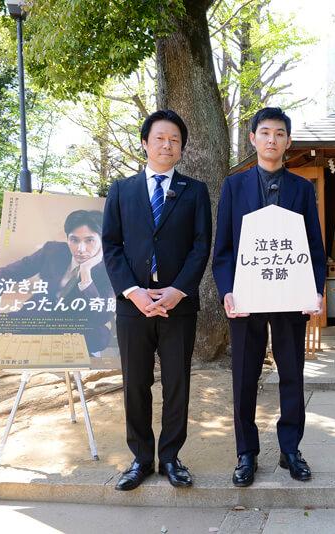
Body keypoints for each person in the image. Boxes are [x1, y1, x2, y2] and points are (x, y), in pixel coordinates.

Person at [212, 107, 325, 487]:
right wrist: (227, 291)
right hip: (246, 299)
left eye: (279, 133)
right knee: (244, 376)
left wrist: (316, 290)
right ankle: (246, 452)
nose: (272, 139)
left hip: (291, 298)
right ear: (253, 139)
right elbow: (223, 248)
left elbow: (314, 246)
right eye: (265, 132)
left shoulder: (302, 189)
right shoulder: (234, 186)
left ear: (288, 142)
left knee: (292, 374)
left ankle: (290, 449)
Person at [102, 109, 212, 491]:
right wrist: (132, 292)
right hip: (133, 306)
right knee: (135, 382)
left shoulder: (194, 192)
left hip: (177, 305)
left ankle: (170, 458)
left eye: (175, 140)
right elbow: (111, 246)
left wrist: (177, 290)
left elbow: (201, 247)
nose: (167, 145)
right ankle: (140, 458)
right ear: (145, 142)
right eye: (160, 138)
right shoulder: (121, 191)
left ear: (181, 148)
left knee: (177, 383)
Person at [0, 209, 113, 354]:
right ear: (68, 238)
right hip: (41, 314)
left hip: (77, 323)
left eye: (90, 240)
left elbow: (101, 314)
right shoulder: (52, 251)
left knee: (100, 338)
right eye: (74, 240)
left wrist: (86, 273)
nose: (80, 249)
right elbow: (4, 275)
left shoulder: (110, 267)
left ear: (102, 240)